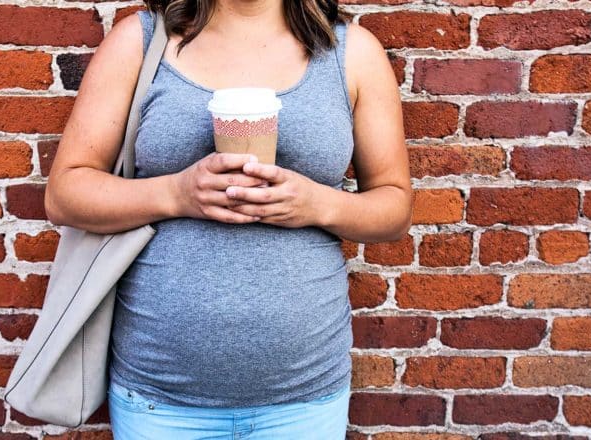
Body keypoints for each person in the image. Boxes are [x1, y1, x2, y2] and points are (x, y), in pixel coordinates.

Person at [44, 0, 412, 438]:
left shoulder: (351, 53)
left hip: (303, 398)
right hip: (161, 401)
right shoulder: (140, 43)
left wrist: (318, 205)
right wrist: (176, 193)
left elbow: (394, 209)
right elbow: (64, 195)